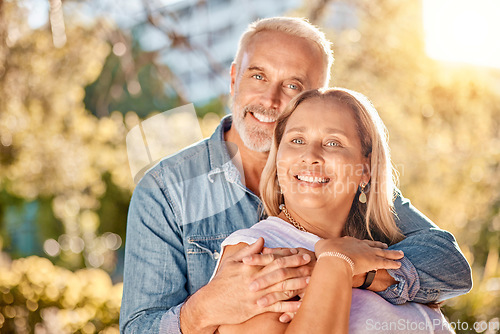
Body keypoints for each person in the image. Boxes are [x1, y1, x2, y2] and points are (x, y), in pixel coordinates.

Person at [120, 17, 472, 334]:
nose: (270, 99)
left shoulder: (346, 182)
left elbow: (449, 266)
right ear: (233, 78)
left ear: (317, 96)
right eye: (258, 76)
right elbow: (139, 327)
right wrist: (204, 309)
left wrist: (355, 271)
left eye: (292, 85)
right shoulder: (167, 191)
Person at [214, 88, 455, 334]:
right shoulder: (257, 251)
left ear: (365, 169)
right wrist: (335, 264)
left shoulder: (383, 247)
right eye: (297, 140)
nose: (310, 156)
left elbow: (456, 270)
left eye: (333, 143)